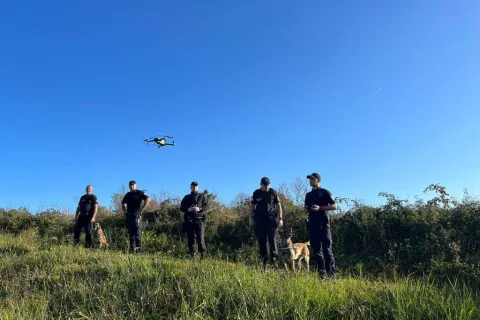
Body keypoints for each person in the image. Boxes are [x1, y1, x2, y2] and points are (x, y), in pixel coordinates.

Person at [304, 172, 337, 279]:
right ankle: (322, 275)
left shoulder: (325, 192)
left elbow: (334, 206)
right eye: (309, 179)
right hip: (312, 223)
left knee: (327, 249)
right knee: (316, 250)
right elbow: (305, 208)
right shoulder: (308, 195)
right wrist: (310, 208)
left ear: (318, 180)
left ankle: (332, 275)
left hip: (323, 222)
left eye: (312, 178)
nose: (310, 180)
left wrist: (321, 208)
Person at [249, 177, 284, 270]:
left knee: (273, 241)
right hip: (260, 219)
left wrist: (280, 218)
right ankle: (263, 264)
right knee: (262, 242)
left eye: (268, 185)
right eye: (265, 185)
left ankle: (275, 263)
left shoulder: (273, 192)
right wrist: (250, 218)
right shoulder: (256, 193)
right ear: (261, 184)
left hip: (271, 219)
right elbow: (252, 206)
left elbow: (278, 206)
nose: (267, 187)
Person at [180, 181, 209, 260]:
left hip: (199, 220)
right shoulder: (186, 197)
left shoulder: (202, 196)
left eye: (196, 186)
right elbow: (181, 208)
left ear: (198, 187)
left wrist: (199, 208)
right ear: (190, 187)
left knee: (200, 238)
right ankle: (192, 256)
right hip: (189, 220)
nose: (194, 187)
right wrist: (188, 209)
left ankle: (202, 256)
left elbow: (206, 207)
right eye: (193, 186)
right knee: (190, 239)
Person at [121, 180, 150, 254]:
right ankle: (132, 251)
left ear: (136, 185)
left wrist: (142, 209)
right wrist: (125, 211)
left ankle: (139, 251)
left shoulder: (139, 192)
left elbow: (147, 199)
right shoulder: (128, 194)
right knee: (131, 234)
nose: (132, 186)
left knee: (137, 234)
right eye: (130, 185)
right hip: (129, 216)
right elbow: (123, 203)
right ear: (129, 186)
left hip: (137, 215)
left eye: (133, 185)